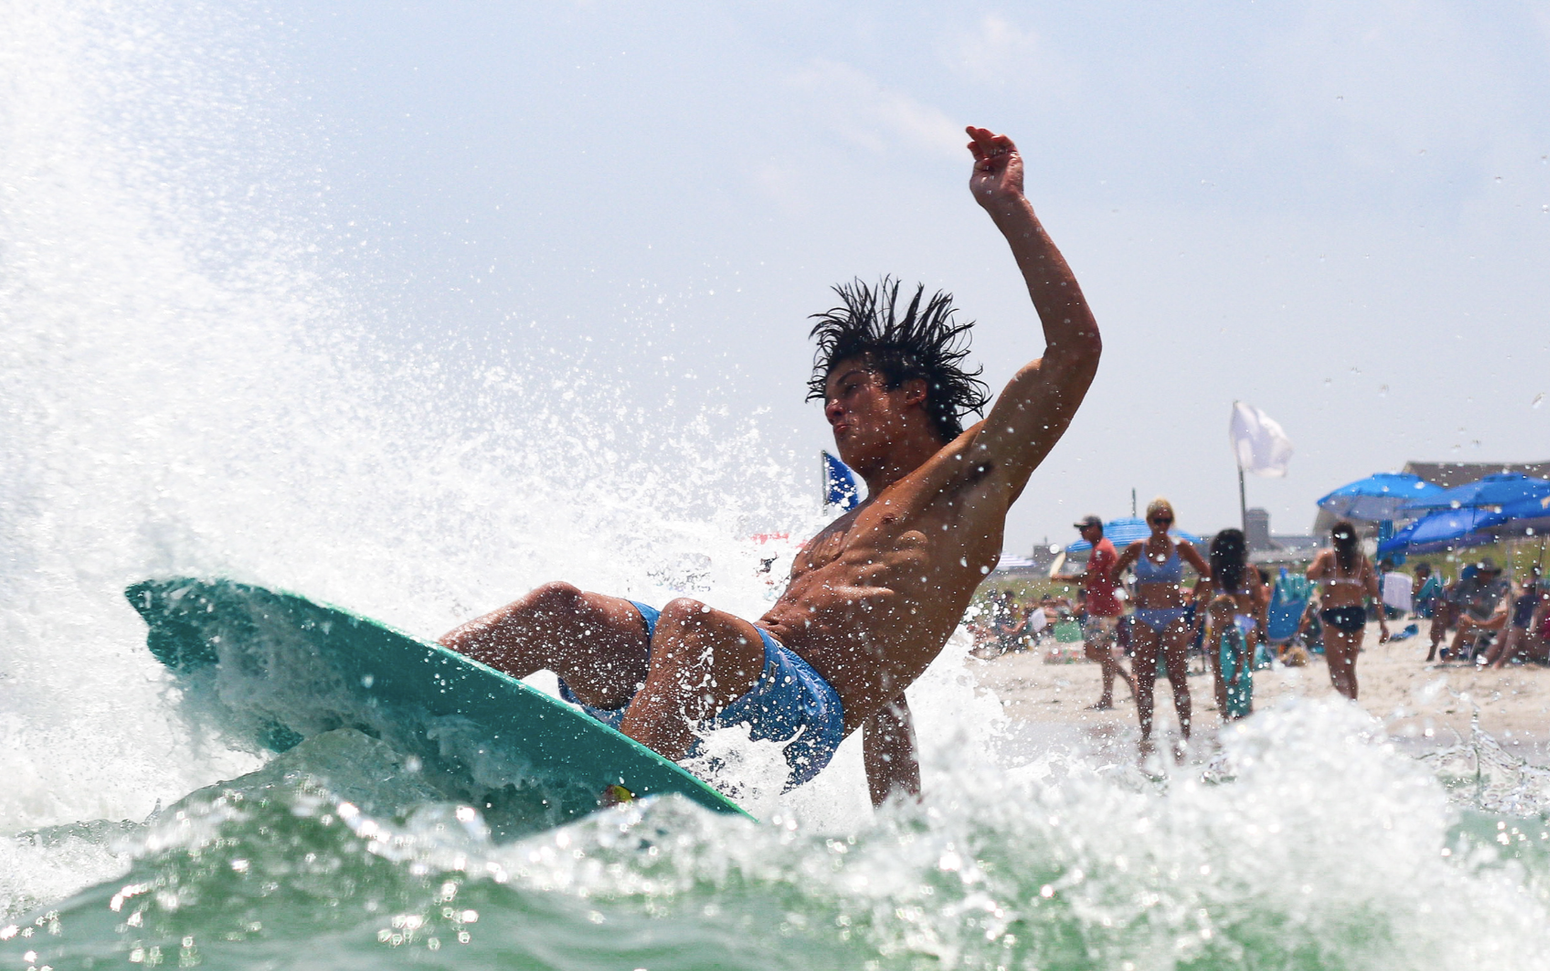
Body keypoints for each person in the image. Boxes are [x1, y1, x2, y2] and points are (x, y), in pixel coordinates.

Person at [440, 126, 1098, 806]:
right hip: (714, 701)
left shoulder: (967, 483)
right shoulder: (838, 534)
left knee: (692, 621)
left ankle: (608, 817)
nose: (833, 409)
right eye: (828, 397)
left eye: (851, 388)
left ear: (911, 392)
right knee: (560, 608)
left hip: (799, 722)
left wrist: (1007, 206)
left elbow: (1073, 351)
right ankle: (408, 692)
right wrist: (900, 828)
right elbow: (892, 696)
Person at [1108, 498, 1211, 756]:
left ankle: (1186, 732)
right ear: (1149, 521)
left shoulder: (1182, 547)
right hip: (1144, 617)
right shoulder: (1136, 548)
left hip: (1173, 616)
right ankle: (1146, 735)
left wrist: (1193, 598)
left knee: (1179, 677)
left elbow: (1206, 573)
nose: (1162, 525)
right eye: (1157, 520)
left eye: (1167, 520)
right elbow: (1113, 575)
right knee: (1145, 679)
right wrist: (1128, 598)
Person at [1307, 521, 1381, 698]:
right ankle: (1352, 704)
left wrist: (1320, 560)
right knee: (1349, 668)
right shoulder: (1362, 561)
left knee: (1336, 668)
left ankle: (1346, 705)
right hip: (1357, 614)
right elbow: (1375, 594)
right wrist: (1383, 624)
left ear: (1334, 538)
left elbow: (1310, 574)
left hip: (1334, 614)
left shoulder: (1326, 557)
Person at [1204, 526, 1266, 722]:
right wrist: (1263, 626)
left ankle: (1224, 714)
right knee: (1245, 671)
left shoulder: (1215, 572)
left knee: (1219, 673)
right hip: (1246, 624)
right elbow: (1260, 601)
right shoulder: (1248, 571)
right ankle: (1245, 710)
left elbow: (1206, 599)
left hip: (1221, 625)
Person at [1074, 515, 1133, 711]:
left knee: (1091, 652)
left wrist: (1059, 578)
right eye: (1080, 529)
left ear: (1097, 528)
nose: (1082, 532)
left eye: (1085, 528)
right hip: (1108, 607)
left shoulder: (1101, 550)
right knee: (1105, 653)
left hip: (1102, 609)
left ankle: (1130, 679)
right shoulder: (1104, 547)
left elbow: (1087, 578)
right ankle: (1107, 697)